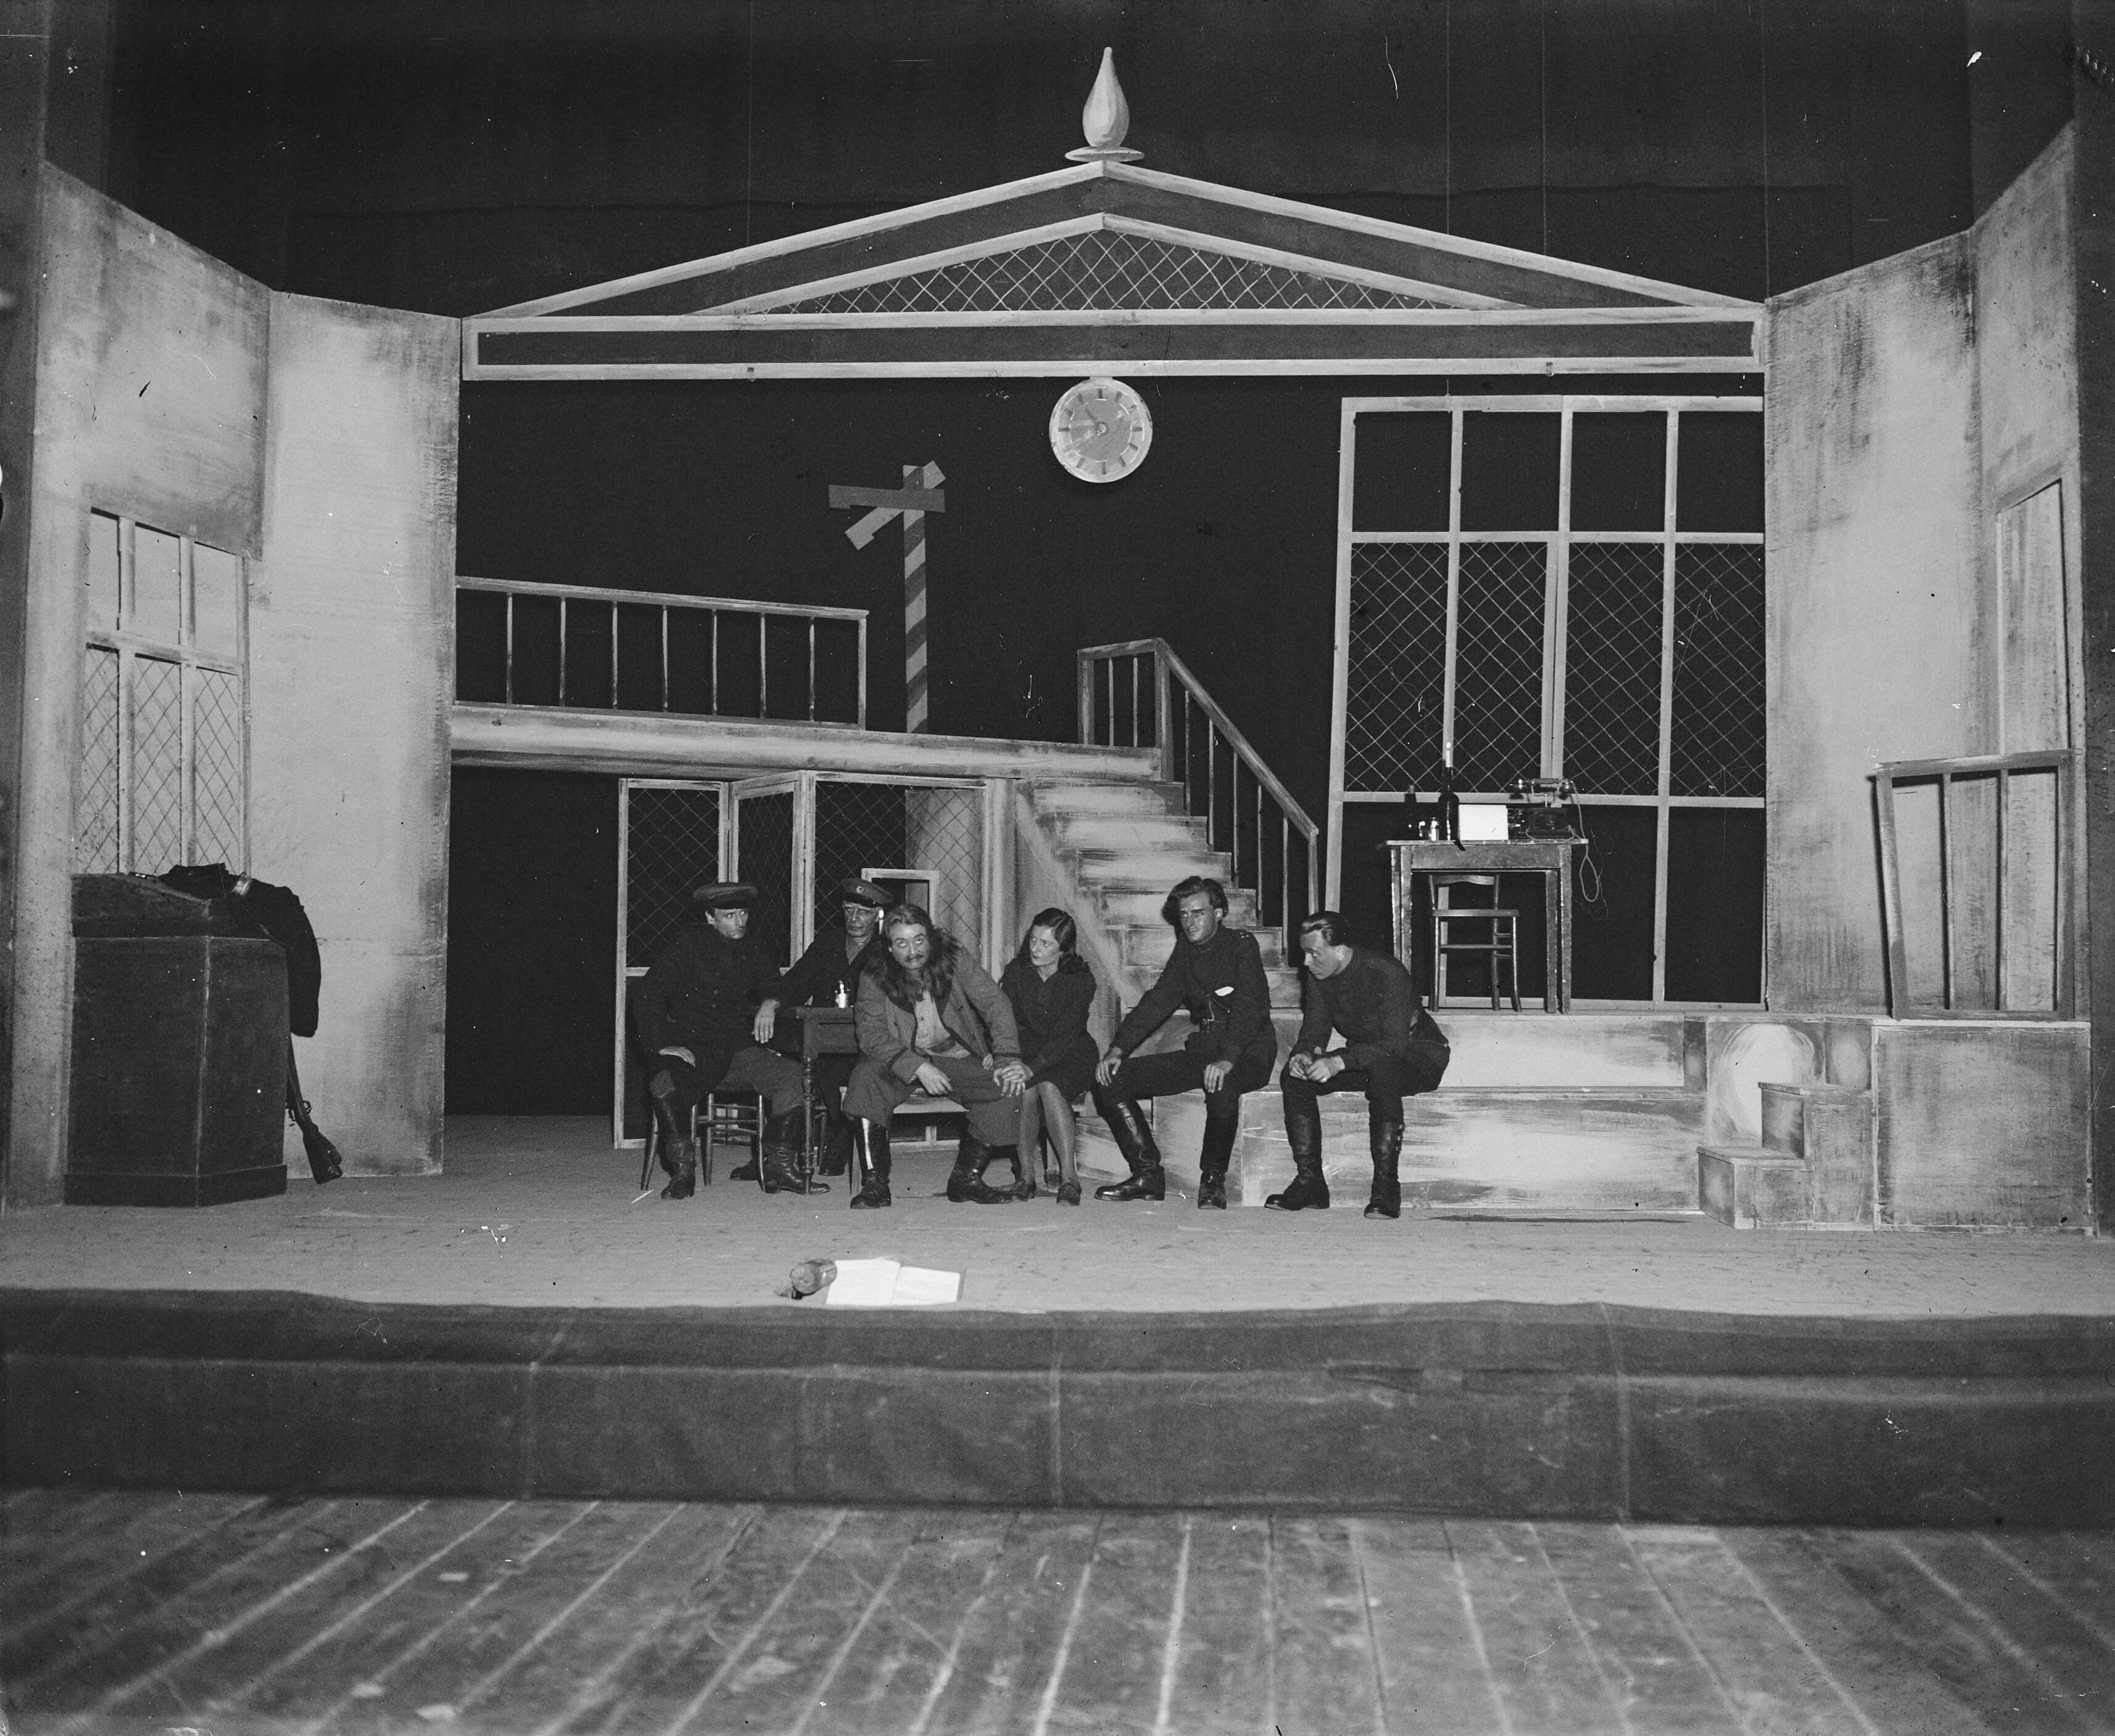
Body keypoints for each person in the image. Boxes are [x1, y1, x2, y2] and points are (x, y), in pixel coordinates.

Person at [1092, 875, 1275, 1209]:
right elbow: (1158, 1001)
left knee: (1222, 1085)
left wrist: (1228, 1058)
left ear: (1218, 913)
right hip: (1205, 1048)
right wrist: (1118, 1049)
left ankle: (1213, 1180)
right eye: (1184, 915)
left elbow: (1250, 1008)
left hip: (1249, 1051)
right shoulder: (1186, 951)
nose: (1190, 922)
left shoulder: (1241, 945)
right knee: (1113, 1079)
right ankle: (1148, 1175)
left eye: (1198, 913)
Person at [634, 880, 822, 1200]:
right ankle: (683, 1172)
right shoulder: (687, 945)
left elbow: (778, 985)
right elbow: (648, 994)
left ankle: (777, 1165)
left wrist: (770, 1003)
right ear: (711, 918)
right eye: (729, 916)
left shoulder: (754, 947)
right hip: (690, 1050)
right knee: (662, 1079)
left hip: (735, 1051)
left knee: (795, 1078)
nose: (740, 922)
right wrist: (661, 1045)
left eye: (744, 914)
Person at [842, 903, 1031, 1208]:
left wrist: (1005, 1056)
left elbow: (995, 1003)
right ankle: (875, 1184)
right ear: (889, 948)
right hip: (903, 1059)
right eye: (902, 943)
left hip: (954, 1056)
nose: (913, 951)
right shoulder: (874, 974)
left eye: (919, 940)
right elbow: (870, 1034)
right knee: (865, 1077)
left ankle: (966, 1179)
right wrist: (916, 1066)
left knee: (1006, 1087)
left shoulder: (954, 958)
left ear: (930, 938)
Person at [1274, 910, 1451, 1218]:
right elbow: (1315, 1029)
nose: (1306, 962)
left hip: (1419, 1056)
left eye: (1314, 953)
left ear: (1341, 950)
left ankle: (1386, 1188)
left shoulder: (1385, 971)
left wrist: (1340, 1062)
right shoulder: (1319, 976)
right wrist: (1304, 1054)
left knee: (1384, 1069)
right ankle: (1311, 1183)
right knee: (1295, 1078)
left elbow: (1395, 1045)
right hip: (1367, 1057)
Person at [756, 876, 893, 1179]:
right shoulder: (828, 943)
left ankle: (839, 1139)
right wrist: (772, 1003)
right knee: (800, 1071)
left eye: (863, 912)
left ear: (878, 915)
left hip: (868, 1040)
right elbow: (797, 981)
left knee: (842, 1072)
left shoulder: (887, 950)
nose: (854, 918)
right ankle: (776, 1155)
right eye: (849, 910)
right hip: (824, 1038)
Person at [999, 908, 1098, 1207]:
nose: (1035, 949)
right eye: (1033, 940)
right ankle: (1025, 1177)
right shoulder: (1017, 972)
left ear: (1063, 949)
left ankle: (1070, 1179)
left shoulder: (1080, 980)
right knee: (1024, 1091)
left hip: (1071, 1052)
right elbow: (1005, 1021)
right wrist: (1008, 1058)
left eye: (1045, 944)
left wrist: (1032, 1068)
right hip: (1027, 1052)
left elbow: (1065, 1037)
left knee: (1049, 1086)